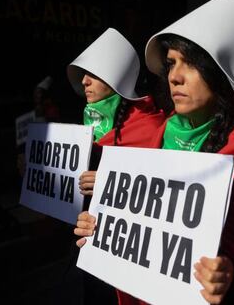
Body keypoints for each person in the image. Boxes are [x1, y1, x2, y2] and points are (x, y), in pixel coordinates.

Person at [75, 0, 234, 304]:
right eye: (170, 64)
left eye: (190, 63)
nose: (174, 76)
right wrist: (103, 226)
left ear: (221, 72)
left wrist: (233, 276)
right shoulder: (158, 137)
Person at [68, 28, 165, 305]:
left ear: (116, 79)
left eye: (93, 74)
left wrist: (111, 185)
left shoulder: (153, 128)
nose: (84, 81)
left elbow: (164, 194)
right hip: (90, 247)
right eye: (83, 75)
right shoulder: (87, 128)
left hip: (129, 258)